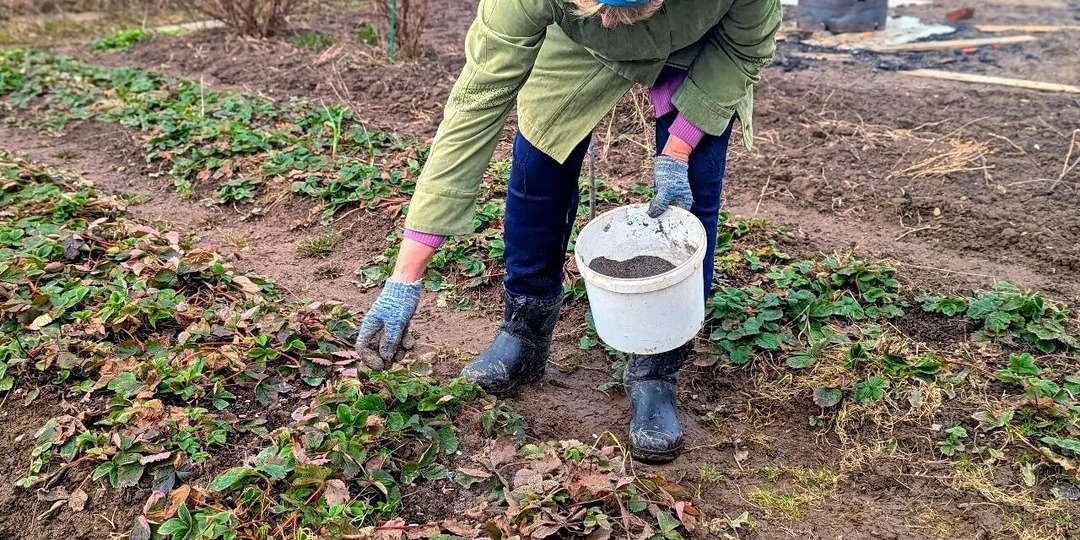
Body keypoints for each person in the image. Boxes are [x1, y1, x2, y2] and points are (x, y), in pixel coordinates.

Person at [356, 0, 782, 463]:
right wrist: (405, 275)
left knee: (692, 192)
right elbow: (475, 104)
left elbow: (743, 50)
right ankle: (525, 331)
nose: (605, 17)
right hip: (578, 46)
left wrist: (678, 149)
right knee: (537, 168)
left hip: (701, 47)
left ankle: (657, 369)